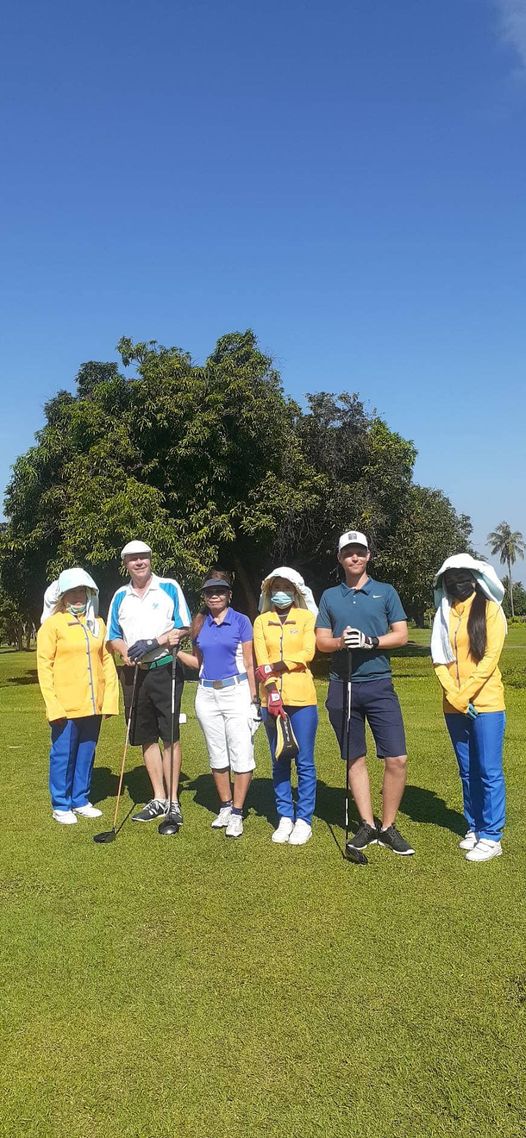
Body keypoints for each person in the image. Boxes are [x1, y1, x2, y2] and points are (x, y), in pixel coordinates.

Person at [315, 530, 414, 855]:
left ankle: (388, 826)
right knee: (354, 758)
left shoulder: (385, 592)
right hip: (342, 686)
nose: (354, 557)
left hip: (379, 684)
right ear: (340, 558)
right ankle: (367, 824)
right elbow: (321, 642)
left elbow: (400, 635)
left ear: (369, 555)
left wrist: (371, 641)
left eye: (360, 552)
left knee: (396, 759)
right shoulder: (330, 596)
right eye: (348, 553)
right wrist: (343, 642)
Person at [106, 540, 191, 825]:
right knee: (145, 736)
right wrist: (124, 652)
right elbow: (113, 636)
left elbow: (183, 627)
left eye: (143, 557)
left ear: (151, 560)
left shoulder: (168, 587)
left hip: (165, 668)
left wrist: (155, 642)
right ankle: (158, 797)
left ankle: (174, 801)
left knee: (169, 735)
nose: (139, 562)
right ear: (126, 563)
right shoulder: (120, 595)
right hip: (135, 673)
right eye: (133, 559)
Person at [432, 553, 507, 862]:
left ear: (475, 578)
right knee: (467, 771)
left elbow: (490, 658)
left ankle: (492, 835)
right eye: (451, 578)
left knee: (488, 769)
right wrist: (456, 696)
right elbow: (439, 660)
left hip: (487, 703)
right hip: (455, 705)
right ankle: (474, 826)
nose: (457, 583)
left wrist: (467, 695)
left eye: (462, 576)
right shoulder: (444, 614)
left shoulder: (490, 610)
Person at [178, 571, 258, 839]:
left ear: (228, 595)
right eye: (210, 592)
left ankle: (237, 812)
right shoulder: (200, 624)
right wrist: (174, 652)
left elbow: (249, 663)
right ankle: (225, 806)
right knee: (216, 753)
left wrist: (254, 698)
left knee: (241, 751)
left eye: (220, 591)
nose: (215, 596)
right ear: (204, 596)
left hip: (236, 692)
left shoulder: (241, 621)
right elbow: (198, 663)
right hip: (206, 695)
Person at [36, 567, 119, 825]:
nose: (77, 597)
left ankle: (80, 799)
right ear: (62, 597)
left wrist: (110, 700)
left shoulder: (99, 624)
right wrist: (53, 704)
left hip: (92, 703)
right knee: (63, 755)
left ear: (89, 594)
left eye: (81, 592)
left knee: (86, 752)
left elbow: (106, 661)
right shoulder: (52, 626)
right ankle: (61, 804)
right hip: (65, 704)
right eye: (71, 593)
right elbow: (44, 666)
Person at [253, 567, 318, 846]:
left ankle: (304, 819)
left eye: (286, 588)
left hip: (302, 698)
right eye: (276, 588)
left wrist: (279, 665)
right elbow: (260, 660)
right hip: (271, 698)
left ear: (295, 591)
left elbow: (307, 653)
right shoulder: (261, 621)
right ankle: (285, 816)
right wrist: (271, 690)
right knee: (279, 758)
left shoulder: (305, 618)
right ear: (269, 592)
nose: (281, 593)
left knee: (304, 760)